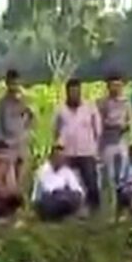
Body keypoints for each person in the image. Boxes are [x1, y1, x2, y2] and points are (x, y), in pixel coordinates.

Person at [54, 78, 101, 213]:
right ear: (67, 92)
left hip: (86, 150)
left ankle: (94, 208)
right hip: (67, 152)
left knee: (91, 182)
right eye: (72, 92)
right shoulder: (60, 110)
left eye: (77, 91)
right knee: (67, 183)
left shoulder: (90, 108)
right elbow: (56, 130)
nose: (74, 94)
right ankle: (69, 208)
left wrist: (95, 147)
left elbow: (98, 129)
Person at [0, 68, 34, 181]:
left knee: (21, 179)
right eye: (12, 84)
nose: (14, 87)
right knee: (9, 180)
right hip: (7, 146)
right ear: (7, 84)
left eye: (16, 84)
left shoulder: (25, 102)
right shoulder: (0, 104)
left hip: (22, 145)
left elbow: (33, 120)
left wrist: (27, 133)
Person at [98, 71, 130, 199]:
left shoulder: (126, 102)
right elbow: (98, 122)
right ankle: (109, 204)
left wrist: (125, 127)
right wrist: (112, 125)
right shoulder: (102, 103)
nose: (116, 88)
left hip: (122, 141)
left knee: (122, 175)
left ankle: (122, 205)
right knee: (109, 176)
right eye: (113, 85)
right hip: (107, 143)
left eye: (118, 85)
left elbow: (129, 120)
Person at [32, 145, 84, 222]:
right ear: (52, 158)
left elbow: (77, 189)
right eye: (58, 157)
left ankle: (64, 213)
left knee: (73, 196)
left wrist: (70, 194)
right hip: (47, 199)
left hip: (64, 196)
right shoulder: (43, 170)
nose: (60, 159)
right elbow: (47, 190)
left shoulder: (67, 171)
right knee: (52, 199)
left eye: (62, 157)